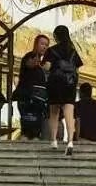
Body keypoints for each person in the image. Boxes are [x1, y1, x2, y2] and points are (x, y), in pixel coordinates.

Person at [44, 24, 82, 155]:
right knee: (69, 114)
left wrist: (42, 66)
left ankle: (53, 140)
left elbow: (48, 67)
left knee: (54, 113)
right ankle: (70, 141)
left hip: (55, 84)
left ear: (56, 37)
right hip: (69, 84)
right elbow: (77, 70)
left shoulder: (51, 51)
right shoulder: (73, 51)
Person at [15, 34, 50, 140]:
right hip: (27, 99)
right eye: (42, 44)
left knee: (36, 132)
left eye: (46, 45)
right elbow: (29, 64)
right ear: (36, 44)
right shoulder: (30, 56)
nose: (44, 47)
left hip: (38, 101)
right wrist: (37, 61)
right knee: (27, 132)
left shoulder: (42, 64)